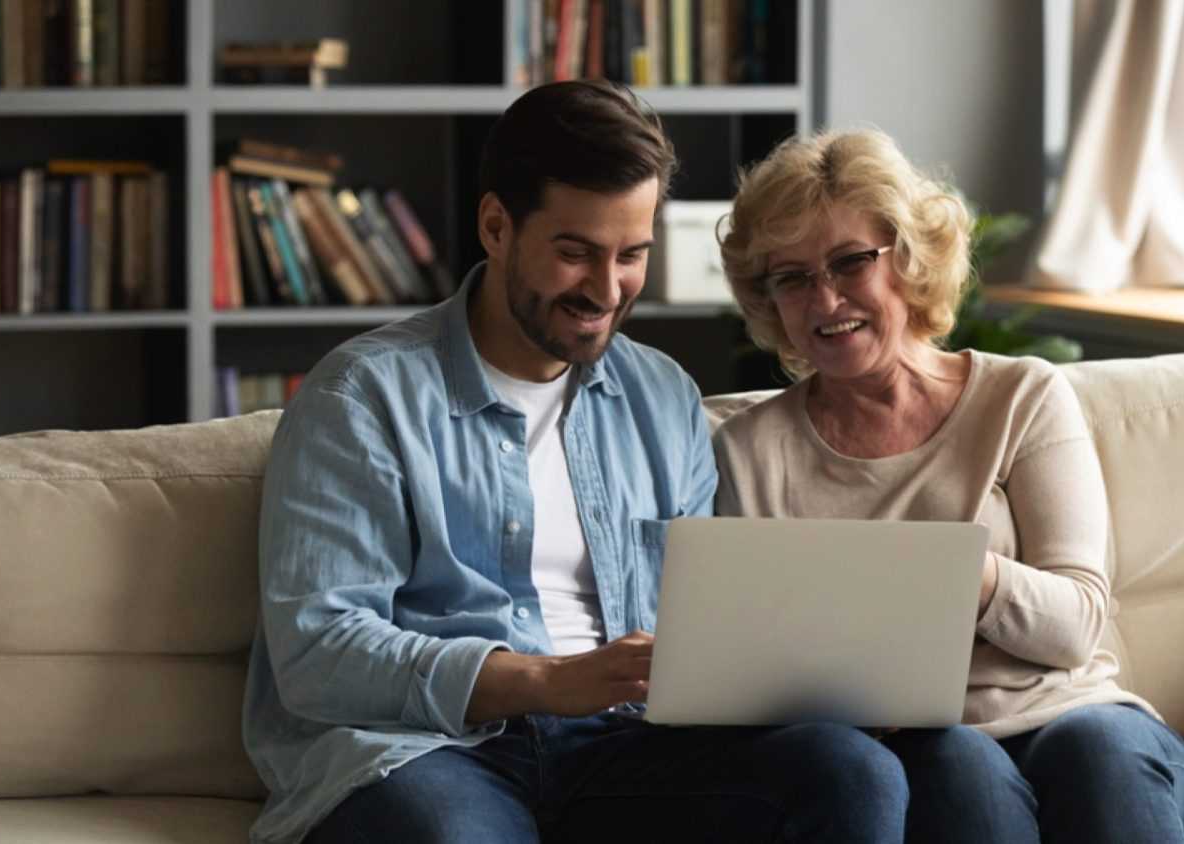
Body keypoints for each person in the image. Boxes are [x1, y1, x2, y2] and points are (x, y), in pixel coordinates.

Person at [241, 81, 907, 844]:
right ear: (496, 226)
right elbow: (319, 652)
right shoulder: (363, 397)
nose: (606, 288)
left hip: (628, 749)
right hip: (432, 752)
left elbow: (700, 626)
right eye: (574, 252)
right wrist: (547, 683)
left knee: (850, 771)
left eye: (632, 255)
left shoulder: (661, 396)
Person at [712, 128, 1184, 844]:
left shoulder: (1022, 397)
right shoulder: (749, 452)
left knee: (1097, 755)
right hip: (922, 741)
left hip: (1077, 715)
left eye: (850, 263)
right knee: (954, 762)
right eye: (792, 277)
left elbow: (1077, 625)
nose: (824, 299)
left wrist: (963, 576)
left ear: (908, 263)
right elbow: (755, 667)